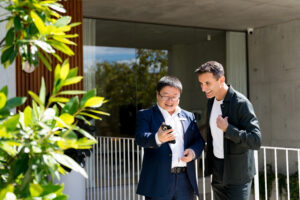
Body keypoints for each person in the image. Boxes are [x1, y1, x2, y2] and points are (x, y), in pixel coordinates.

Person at [194, 61, 262, 200]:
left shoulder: (241, 103)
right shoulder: (211, 101)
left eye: (207, 83)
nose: (203, 88)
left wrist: (228, 129)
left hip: (238, 174)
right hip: (218, 171)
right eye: (201, 84)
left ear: (221, 80)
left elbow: (256, 140)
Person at [135, 76, 205, 200]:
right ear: (157, 95)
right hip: (158, 180)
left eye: (175, 96)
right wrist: (158, 138)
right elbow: (140, 138)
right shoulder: (146, 115)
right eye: (166, 95)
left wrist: (193, 152)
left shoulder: (189, 116)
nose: (170, 100)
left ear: (179, 97)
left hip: (185, 180)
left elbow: (199, 141)